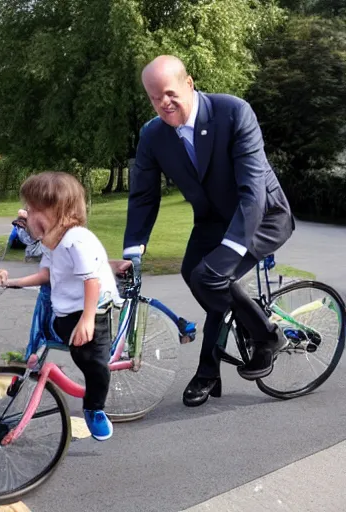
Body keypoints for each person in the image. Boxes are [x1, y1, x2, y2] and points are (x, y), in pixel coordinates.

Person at [124, 55, 294, 407]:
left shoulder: (233, 112)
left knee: (212, 276)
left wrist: (230, 249)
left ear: (189, 83)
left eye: (169, 93)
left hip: (262, 215)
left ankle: (261, 340)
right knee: (196, 274)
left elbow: (252, 191)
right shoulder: (153, 135)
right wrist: (134, 248)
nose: (163, 103)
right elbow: (143, 195)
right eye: (154, 98)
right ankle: (241, 338)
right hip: (212, 220)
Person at [0, 171, 118, 441]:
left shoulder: (76, 240)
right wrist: (11, 282)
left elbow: (91, 281)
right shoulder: (52, 243)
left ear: (62, 212)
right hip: (65, 311)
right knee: (49, 343)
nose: (27, 214)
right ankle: (30, 376)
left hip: (91, 311)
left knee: (94, 364)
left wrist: (88, 319)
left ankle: (94, 408)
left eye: (34, 209)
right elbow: (46, 275)